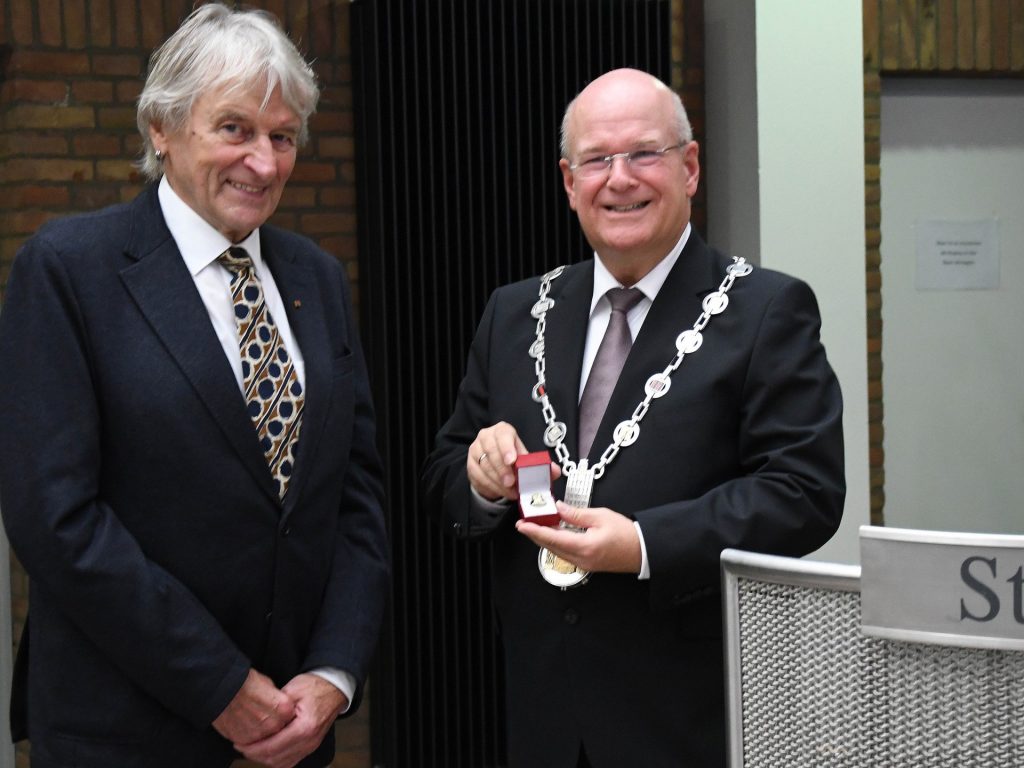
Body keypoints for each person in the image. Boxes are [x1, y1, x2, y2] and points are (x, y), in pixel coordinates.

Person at [421, 68, 845, 767]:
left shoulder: (766, 311)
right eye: (596, 160)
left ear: (690, 167)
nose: (619, 179)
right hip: (543, 723)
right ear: (568, 181)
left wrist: (646, 544)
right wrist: (478, 475)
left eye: (645, 153)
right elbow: (443, 479)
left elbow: (804, 494)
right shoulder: (515, 312)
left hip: (687, 724)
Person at [0, 5, 389, 767]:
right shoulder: (70, 271)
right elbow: (57, 519)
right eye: (235, 129)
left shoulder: (315, 277)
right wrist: (220, 686)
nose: (265, 162)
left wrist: (333, 673)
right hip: (125, 734)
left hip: (293, 734)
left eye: (282, 137)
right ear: (161, 129)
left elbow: (354, 495)